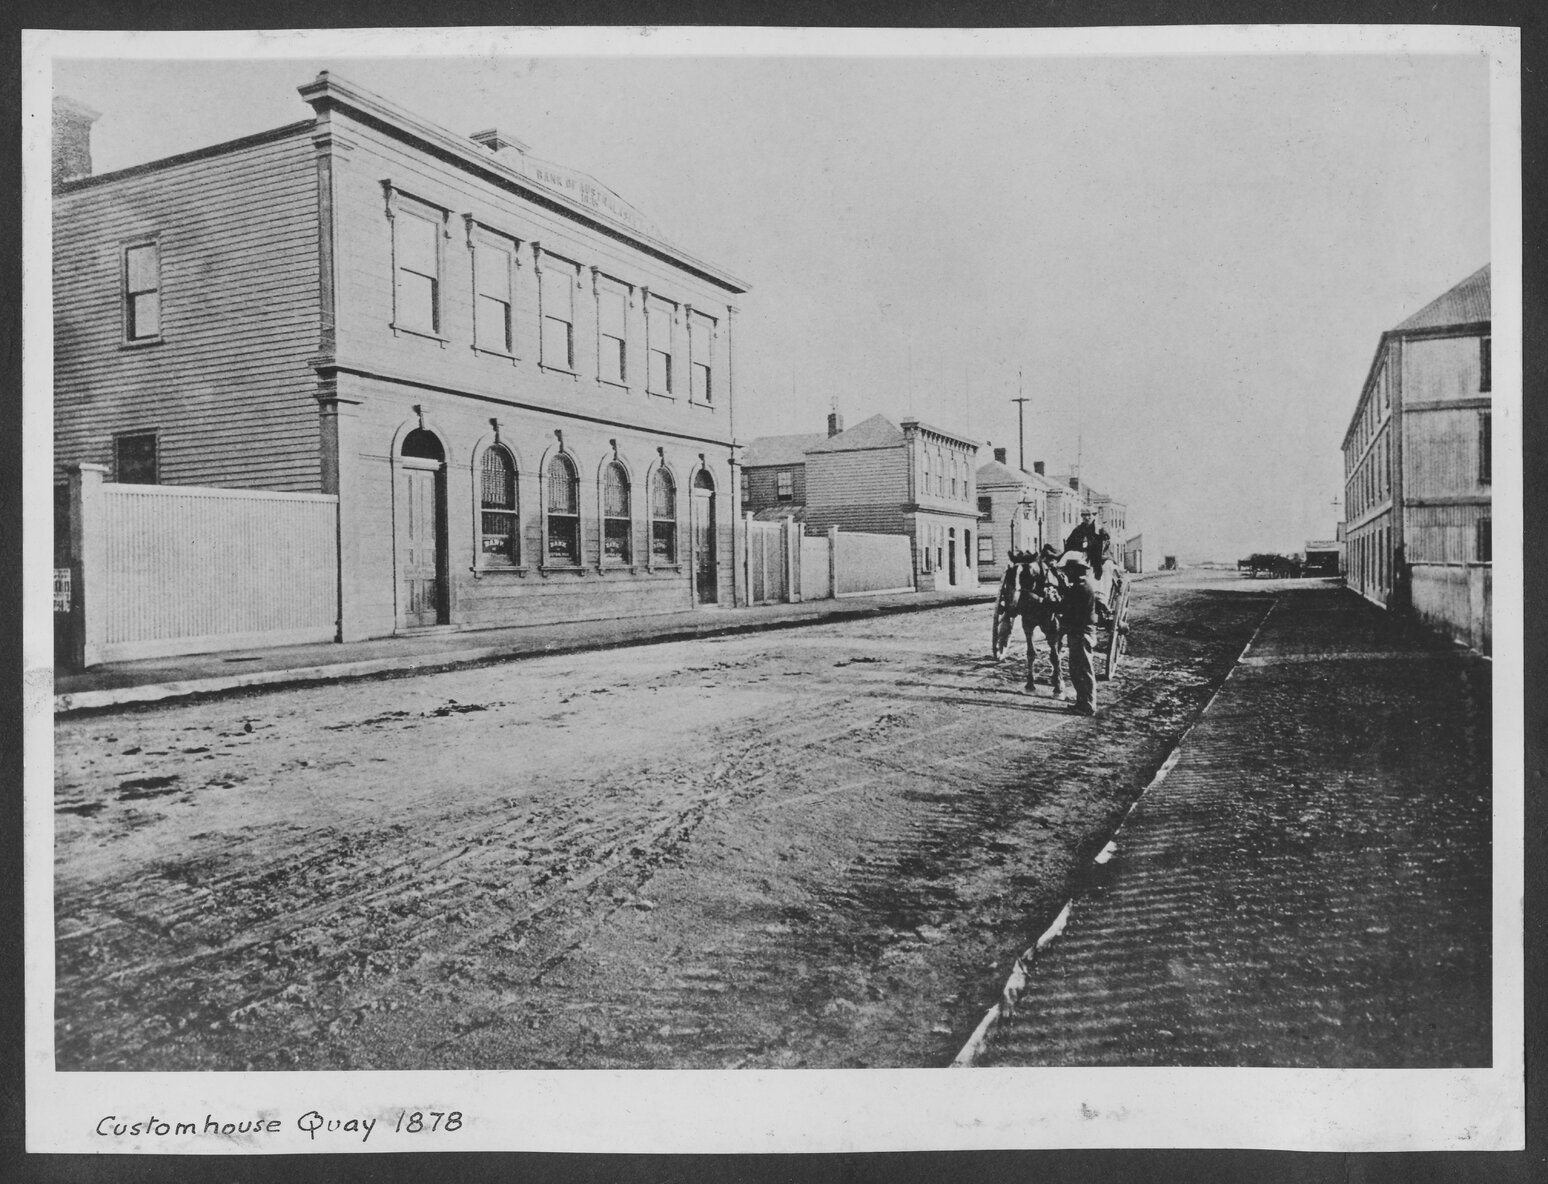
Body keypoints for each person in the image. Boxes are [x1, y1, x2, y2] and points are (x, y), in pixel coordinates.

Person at [1062, 553, 1099, 715]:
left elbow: (1066, 608)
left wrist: (1044, 601)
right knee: (1076, 669)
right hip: (1078, 633)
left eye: (1068, 571)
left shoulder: (1080, 588)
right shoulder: (1081, 586)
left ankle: (1089, 704)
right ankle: (1082, 702)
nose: (1066, 574)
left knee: (1084, 669)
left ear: (1075, 571)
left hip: (1081, 633)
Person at [1064, 506, 1110, 579]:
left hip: (1094, 555)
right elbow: (1069, 543)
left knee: (1097, 564)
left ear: (1094, 516)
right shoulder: (1078, 529)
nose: (1086, 517)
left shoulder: (1099, 529)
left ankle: (1097, 577)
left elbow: (1105, 543)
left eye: (1089, 515)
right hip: (1079, 554)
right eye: (1084, 515)